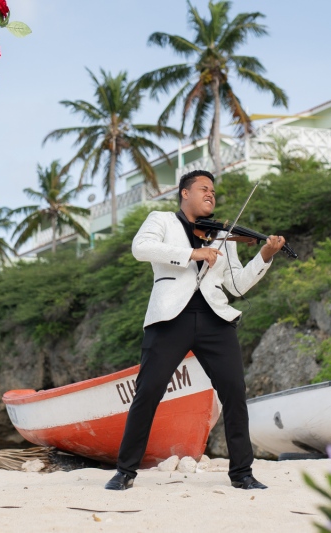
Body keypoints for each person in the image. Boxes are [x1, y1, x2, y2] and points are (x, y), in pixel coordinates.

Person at [104, 170, 286, 491]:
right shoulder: (160, 220)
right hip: (170, 317)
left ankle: (242, 473)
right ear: (184, 193)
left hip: (216, 318)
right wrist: (192, 253)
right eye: (204, 189)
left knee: (234, 393)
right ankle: (125, 470)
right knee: (147, 393)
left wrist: (264, 257)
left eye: (213, 191)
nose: (211, 195)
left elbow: (237, 285)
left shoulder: (222, 234)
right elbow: (141, 248)